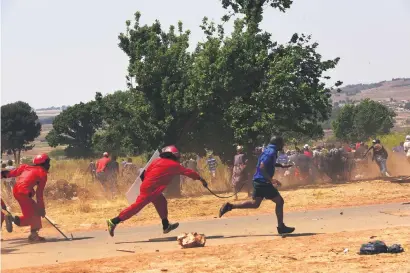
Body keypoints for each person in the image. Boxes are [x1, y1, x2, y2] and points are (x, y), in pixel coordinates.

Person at [106, 145, 207, 237]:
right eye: (177, 157)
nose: (178, 159)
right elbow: (188, 172)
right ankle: (114, 221)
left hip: (149, 187)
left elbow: (143, 175)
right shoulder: (173, 165)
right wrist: (201, 179)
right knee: (136, 207)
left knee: (162, 202)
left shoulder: (156, 161)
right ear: (174, 156)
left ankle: (166, 225)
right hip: (151, 189)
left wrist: (148, 185)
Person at [218, 136, 295, 235]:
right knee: (279, 201)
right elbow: (262, 167)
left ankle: (230, 206)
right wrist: (271, 180)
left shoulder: (268, 150)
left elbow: (265, 164)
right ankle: (281, 227)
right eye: (282, 143)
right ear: (278, 144)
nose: (283, 145)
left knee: (255, 204)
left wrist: (281, 166)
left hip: (258, 180)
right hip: (263, 182)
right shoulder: (271, 152)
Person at [1, 154, 51, 242]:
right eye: (48, 162)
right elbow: (39, 194)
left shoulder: (26, 167)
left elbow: (10, 173)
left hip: (16, 191)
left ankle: (30, 232)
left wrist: (1, 175)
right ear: (44, 163)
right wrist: (42, 209)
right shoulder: (43, 174)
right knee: (35, 214)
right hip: (24, 193)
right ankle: (33, 235)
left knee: (32, 214)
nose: (49, 165)